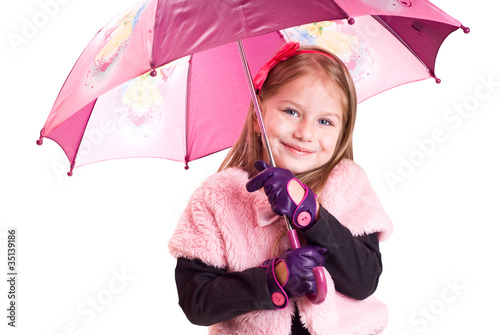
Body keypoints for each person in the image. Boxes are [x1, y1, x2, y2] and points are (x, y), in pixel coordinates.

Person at [168, 42, 393, 335]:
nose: (305, 133)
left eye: (325, 121)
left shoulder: (347, 183)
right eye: (291, 111)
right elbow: (196, 302)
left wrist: (311, 216)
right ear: (257, 116)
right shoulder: (217, 197)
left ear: (342, 133)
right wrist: (275, 279)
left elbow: (363, 281)